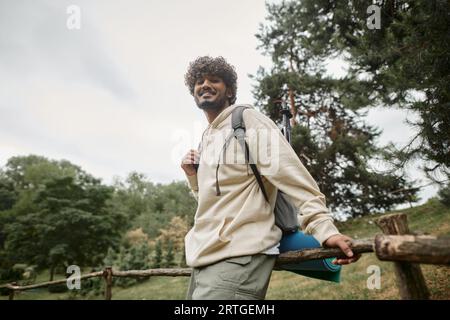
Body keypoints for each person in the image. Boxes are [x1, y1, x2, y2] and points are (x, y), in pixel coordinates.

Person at [181, 56, 360, 300]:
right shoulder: (206, 139)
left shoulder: (246, 121)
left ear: (230, 90)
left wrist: (324, 229)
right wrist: (193, 177)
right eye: (199, 81)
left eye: (214, 80)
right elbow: (211, 202)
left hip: (238, 257)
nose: (205, 85)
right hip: (202, 260)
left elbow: (294, 177)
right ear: (193, 92)